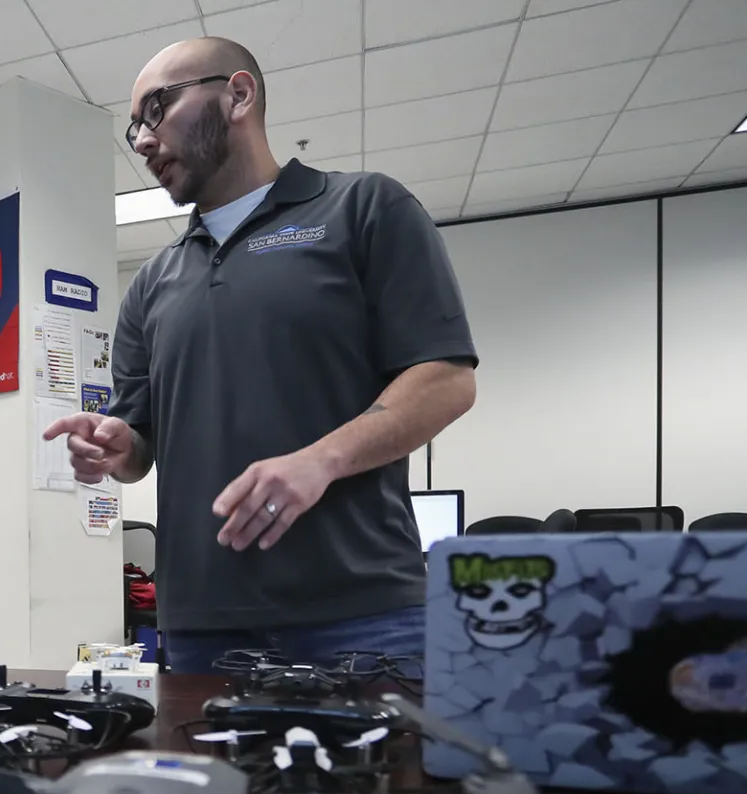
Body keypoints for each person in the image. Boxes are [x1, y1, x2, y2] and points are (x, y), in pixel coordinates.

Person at [42, 37, 478, 675]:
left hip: (361, 612)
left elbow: (446, 380)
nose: (140, 141)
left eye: (156, 109)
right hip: (201, 625)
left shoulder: (363, 209)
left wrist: (320, 461)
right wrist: (116, 446)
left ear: (238, 94)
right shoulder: (150, 283)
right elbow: (140, 448)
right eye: (135, 126)